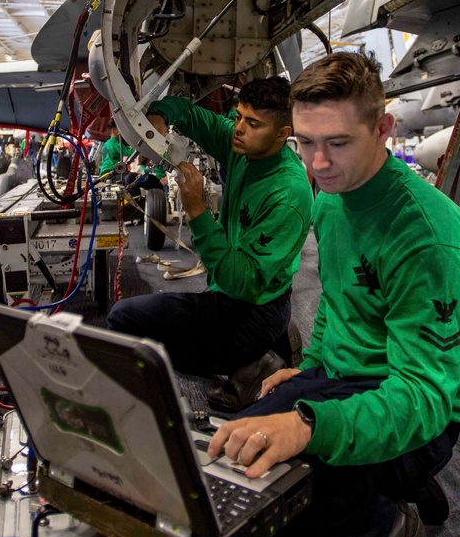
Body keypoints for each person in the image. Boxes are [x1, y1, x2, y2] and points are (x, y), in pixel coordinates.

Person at [206, 53, 460, 537]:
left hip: (417, 410)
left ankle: (392, 521)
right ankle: (378, 494)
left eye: (337, 143)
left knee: (295, 495)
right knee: (235, 454)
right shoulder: (333, 197)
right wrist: (312, 365)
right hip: (341, 379)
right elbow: (339, 299)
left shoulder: (428, 242)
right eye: (306, 142)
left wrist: (310, 424)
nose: (317, 163)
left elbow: (423, 398)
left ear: (383, 128)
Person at [106, 77, 314, 412]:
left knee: (124, 320)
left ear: (282, 133)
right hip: (233, 293)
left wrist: (198, 212)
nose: (239, 129)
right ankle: (257, 353)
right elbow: (188, 114)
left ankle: (252, 360)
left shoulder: (287, 193)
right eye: (239, 117)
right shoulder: (243, 145)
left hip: (250, 309)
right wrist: (158, 116)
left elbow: (241, 281)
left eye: (253, 123)